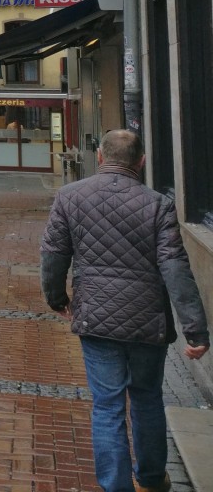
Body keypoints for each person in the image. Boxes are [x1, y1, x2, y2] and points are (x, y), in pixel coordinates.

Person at [40, 129, 208, 492]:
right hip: (148, 323)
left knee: (107, 407)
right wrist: (196, 330)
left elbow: (53, 255)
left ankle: (115, 486)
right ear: (141, 161)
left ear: (100, 157)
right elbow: (176, 268)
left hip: (96, 318)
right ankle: (150, 478)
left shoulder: (70, 197)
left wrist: (56, 299)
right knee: (147, 398)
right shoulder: (158, 205)